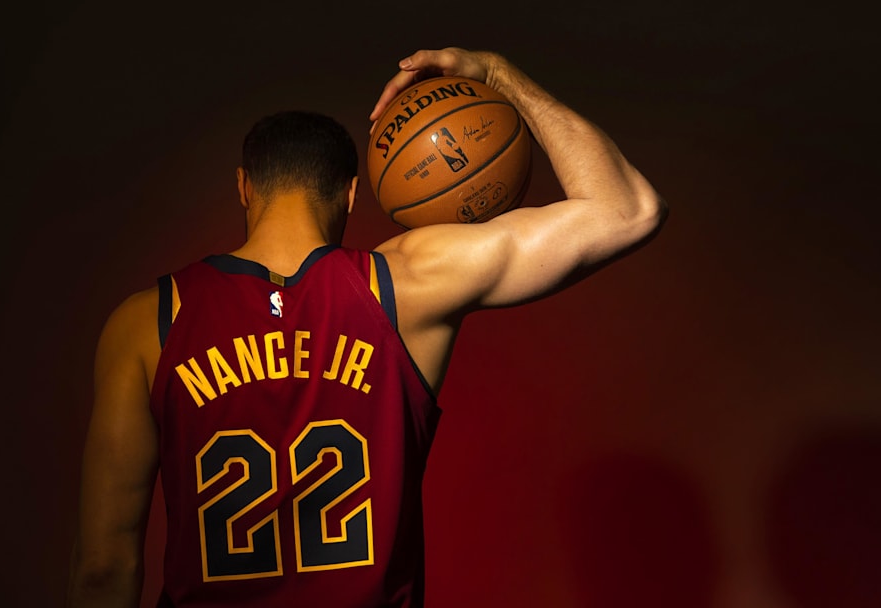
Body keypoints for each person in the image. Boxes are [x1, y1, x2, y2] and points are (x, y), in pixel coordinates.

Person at [67, 47, 666, 608]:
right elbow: (628, 210)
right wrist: (495, 73)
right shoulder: (407, 285)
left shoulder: (147, 323)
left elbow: (104, 568)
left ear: (244, 187)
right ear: (352, 195)